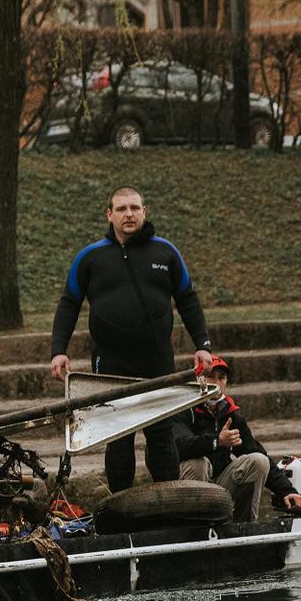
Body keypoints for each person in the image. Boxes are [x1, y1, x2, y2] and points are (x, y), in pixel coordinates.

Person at [49, 185, 213, 492]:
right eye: (122, 209)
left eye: (135, 208)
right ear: (109, 214)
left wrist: (202, 345)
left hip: (157, 358)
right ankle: (121, 502)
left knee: (162, 435)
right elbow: (69, 302)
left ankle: (169, 499)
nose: (129, 214)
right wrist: (59, 350)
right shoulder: (91, 257)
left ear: (144, 212)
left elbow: (188, 299)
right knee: (118, 438)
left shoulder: (165, 252)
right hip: (110, 361)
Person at [174, 356, 301, 521]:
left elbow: (257, 451)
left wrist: (287, 490)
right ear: (199, 380)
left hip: (218, 484)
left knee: (258, 461)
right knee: (198, 464)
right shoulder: (183, 409)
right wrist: (216, 441)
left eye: (222, 378)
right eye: (211, 376)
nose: (217, 382)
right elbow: (177, 446)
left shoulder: (231, 415)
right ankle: (193, 528)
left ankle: (245, 527)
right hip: (182, 488)